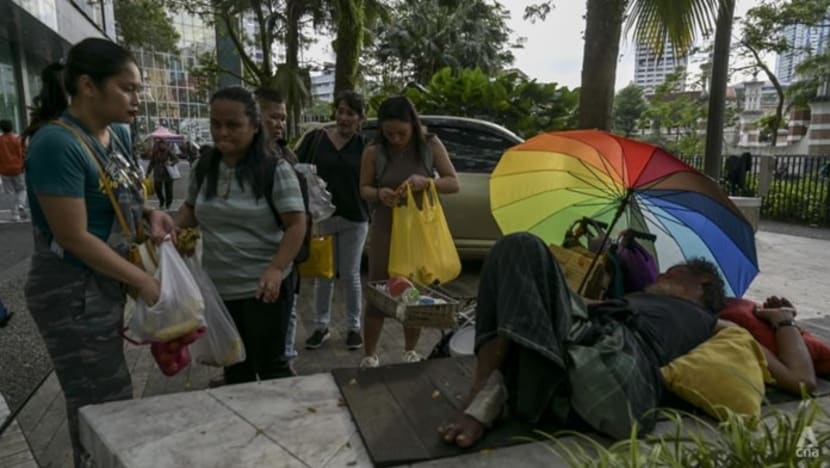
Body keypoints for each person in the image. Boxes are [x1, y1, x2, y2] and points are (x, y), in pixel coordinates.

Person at [438, 233, 817, 448]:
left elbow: (801, 380)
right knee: (513, 249)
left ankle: (491, 394)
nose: (659, 276)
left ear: (700, 284)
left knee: (522, 249)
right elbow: (574, 305)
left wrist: (783, 321)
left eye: (670, 271)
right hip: (573, 360)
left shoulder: (714, 325)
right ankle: (486, 390)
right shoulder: (629, 301)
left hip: (623, 372)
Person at [22, 38, 175, 466]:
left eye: (138, 89)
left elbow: (121, 193)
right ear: (88, 86)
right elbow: (72, 236)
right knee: (100, 403)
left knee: (109, 398)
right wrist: (143, 280)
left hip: (105, 283)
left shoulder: (119, 134)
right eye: (128, 89)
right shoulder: (57, 143)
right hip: (70, 292)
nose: (137, 99)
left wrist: (150, 213)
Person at [174, 86, 306, 384]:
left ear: (255, 126)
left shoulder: (276, 170)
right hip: (219, 289)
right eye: (215, 124)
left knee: (272, 368)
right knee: (235, 368)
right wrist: (170, 230)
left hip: (264, 290)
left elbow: (297, 224)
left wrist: (276, 268)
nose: (222, 132)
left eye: (233, 125)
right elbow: (191, 209)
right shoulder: (203, 169)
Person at [358, 95, 460, 368]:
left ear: (413, 125)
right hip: (386, 228)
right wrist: (380, 193)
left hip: (418, 231)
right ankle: (369, 355)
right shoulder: (373, 150)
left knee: (413, 291)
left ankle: (410, 352)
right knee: (379, 291)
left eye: (401, 133)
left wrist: (426, 182)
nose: (395, 138)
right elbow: (364, 188)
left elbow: (453, 183)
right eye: (389, 133)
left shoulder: (430, 144)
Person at [297, 91, 369, 351]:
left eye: (351, 113)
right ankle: (320, 326)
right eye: (340, 111)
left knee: (350, 275)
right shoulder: (317, 139)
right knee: (323, 274)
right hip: (323, 217)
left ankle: (353, 328)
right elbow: (295, 166)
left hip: (355, 218)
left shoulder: (365, 146)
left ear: (361, 118)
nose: (344, 118)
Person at [254, 87, 301, 366]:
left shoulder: (286, 158)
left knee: (287, 312)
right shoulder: (233, 160)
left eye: (283, 118)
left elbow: (299, 218)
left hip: (282, 257)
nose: (280, 124)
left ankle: (286, 357)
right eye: (274, 117)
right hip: (241, 265)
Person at [0, 119, 27, 221]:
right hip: (18, 169)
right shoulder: (18, 139)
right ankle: (21, 205)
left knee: (9, 192)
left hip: (4, 170)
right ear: (12, 127)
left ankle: (15, 215)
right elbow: (24, 153)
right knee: (22, 189)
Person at [146, 138, 178, 210]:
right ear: (158, 145)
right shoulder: (155, 152)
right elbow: (151, 163)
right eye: (160, 144)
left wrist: (171, 163)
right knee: (157, 188)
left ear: (165, 145)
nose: (162, 146)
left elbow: (176, 159)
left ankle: (168, 203)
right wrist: (148, 172)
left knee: (169, 190)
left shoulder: (169, 151)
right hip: (158, 173)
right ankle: (162, 200)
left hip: (168, 173)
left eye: (163, 144)